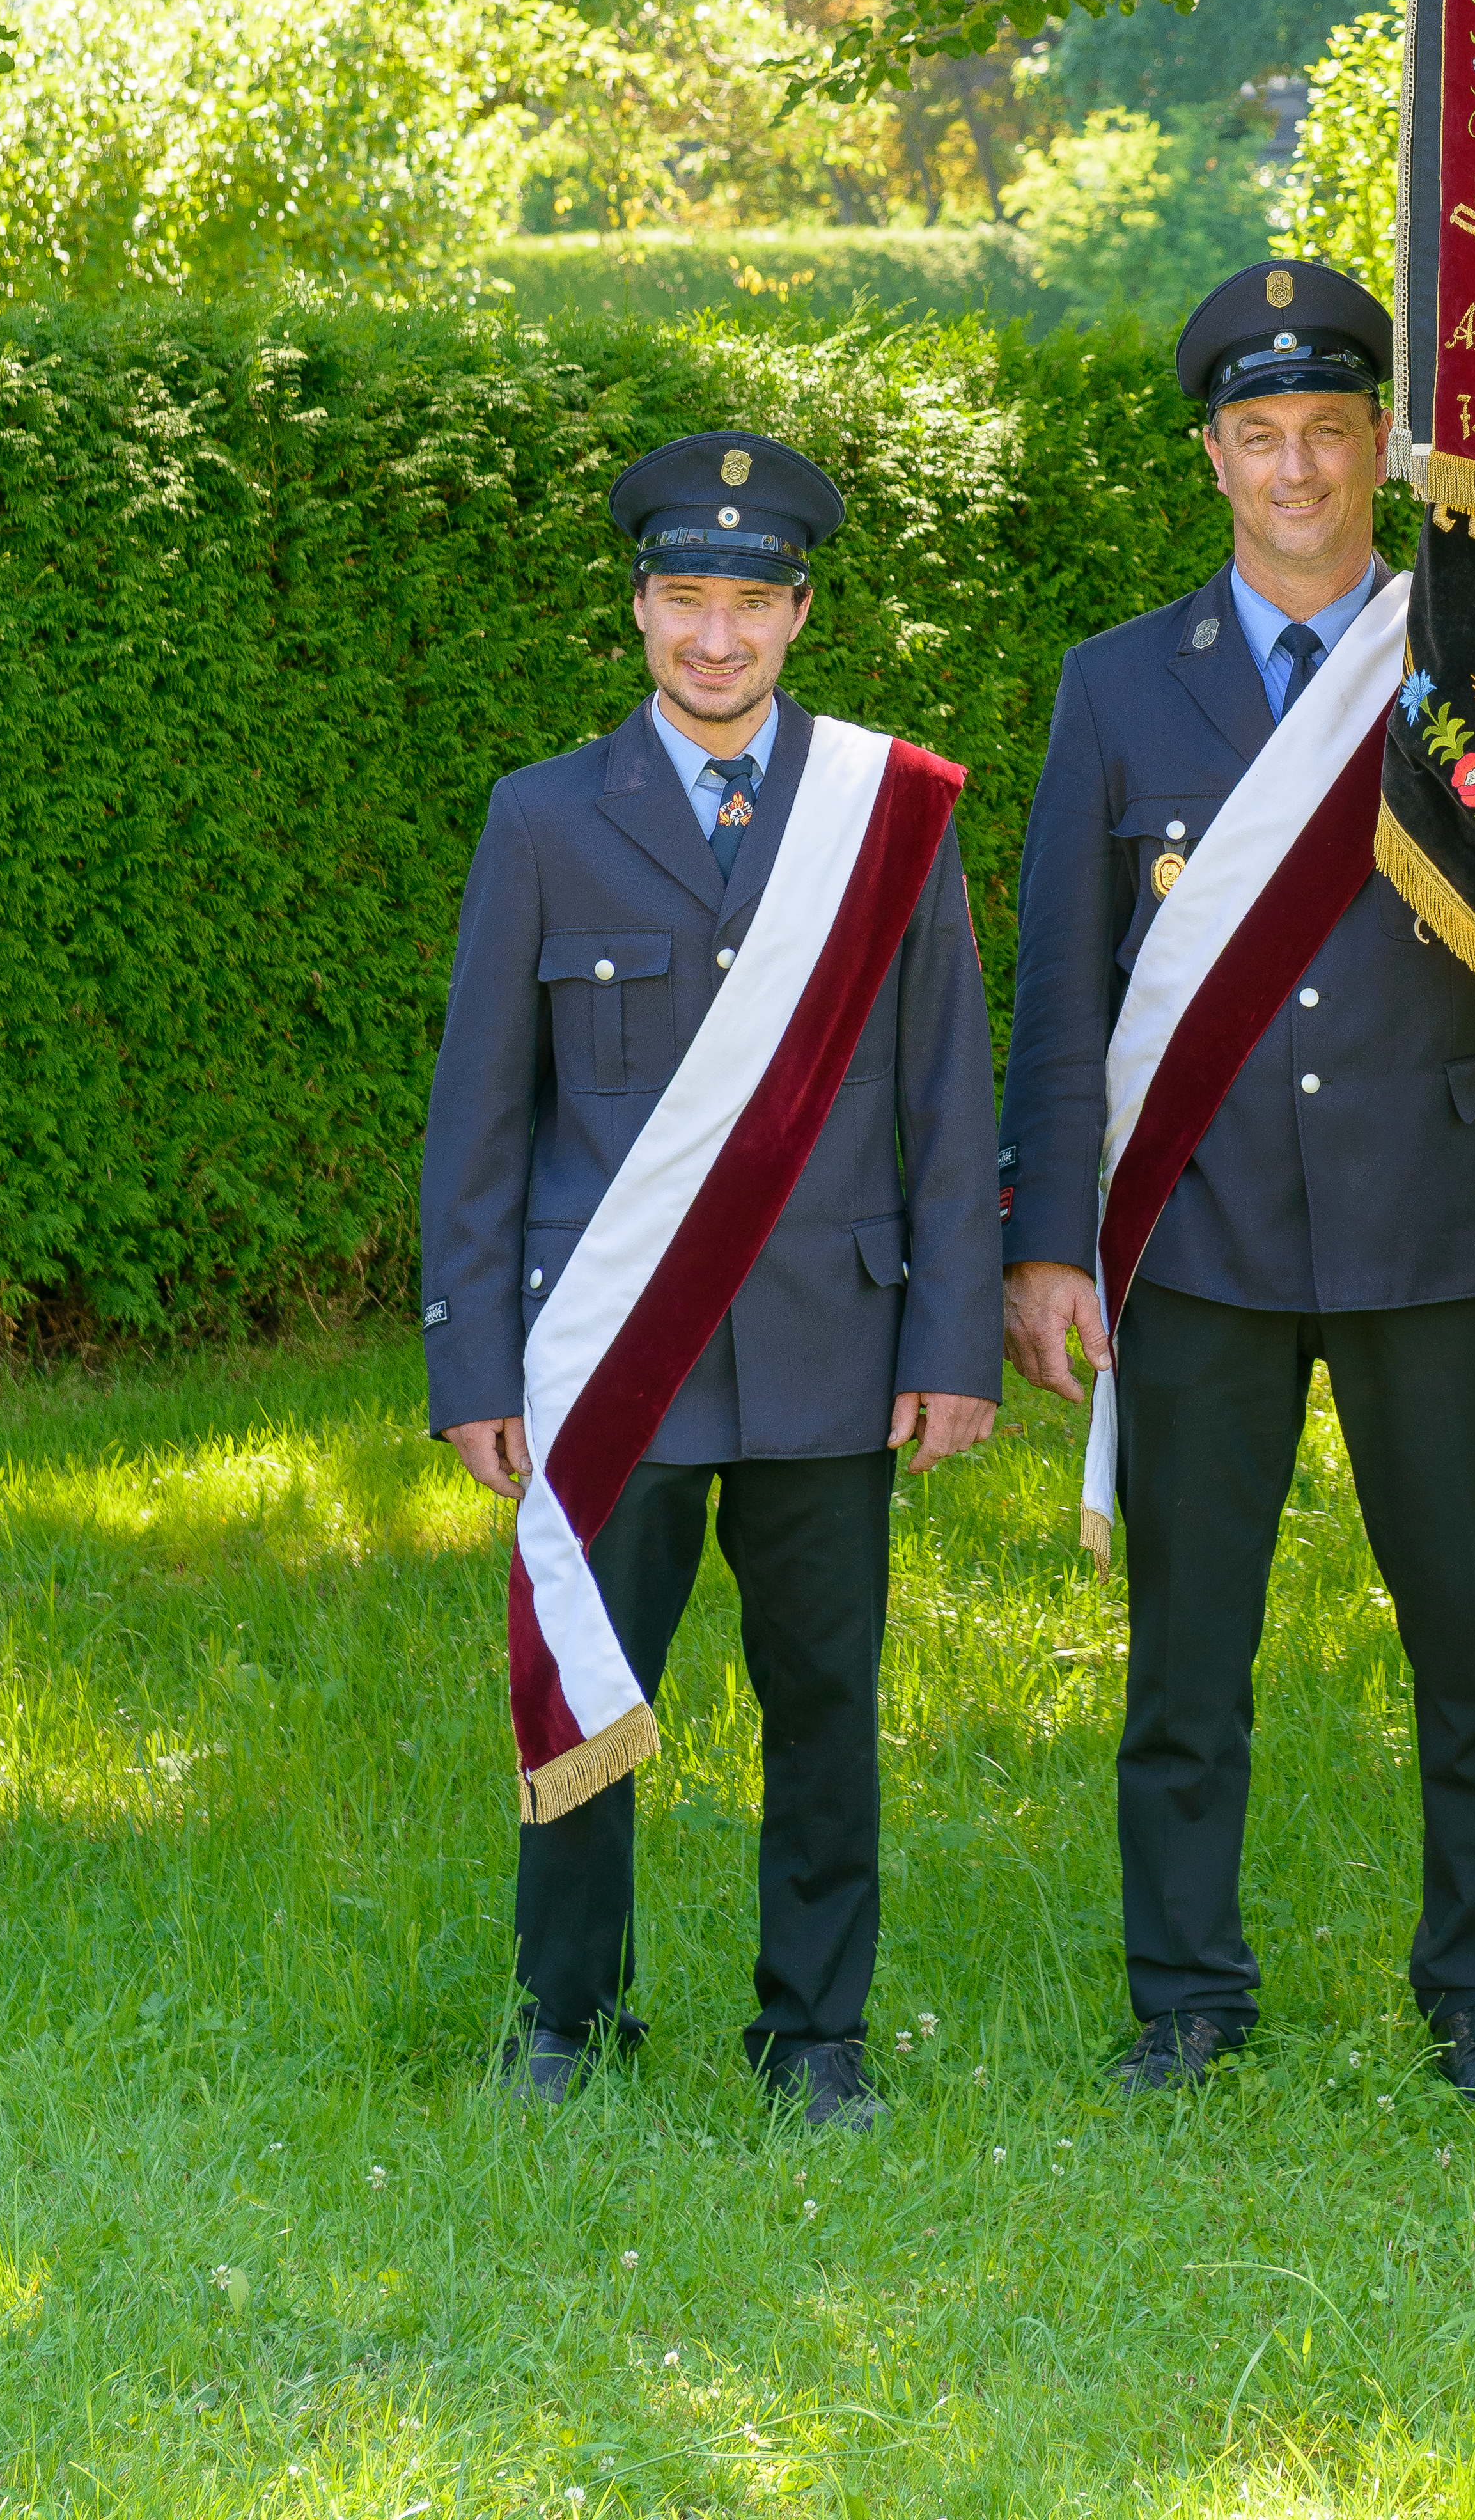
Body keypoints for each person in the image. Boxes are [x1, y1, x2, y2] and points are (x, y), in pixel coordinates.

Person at [999, 260, 1475, 2109]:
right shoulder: (1112, 689)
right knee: (1188, 1656)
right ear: (1212, 455)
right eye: (1261, 435)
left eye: (1332, 430)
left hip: (1443, 1215)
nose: (1299, 467)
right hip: (1205, 1234)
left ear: (1388, 447)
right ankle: (1186, 1999)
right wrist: (1045, 1246)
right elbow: (1065, 989)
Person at [419, 434, 1002, 2125]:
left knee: (826, 1706)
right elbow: (481, 1116)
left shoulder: (889, 815)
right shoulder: (543, 820)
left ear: (801, 613)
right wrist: (474, 1369)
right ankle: (567, 2022)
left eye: (751, 603)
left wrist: (953, 1337)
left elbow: (949, 1096)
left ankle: (817, 2037)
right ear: (639, 609)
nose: (717, 637)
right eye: (687, 600)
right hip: (613, 1357)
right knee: (584, 1695)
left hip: (836, 1339)